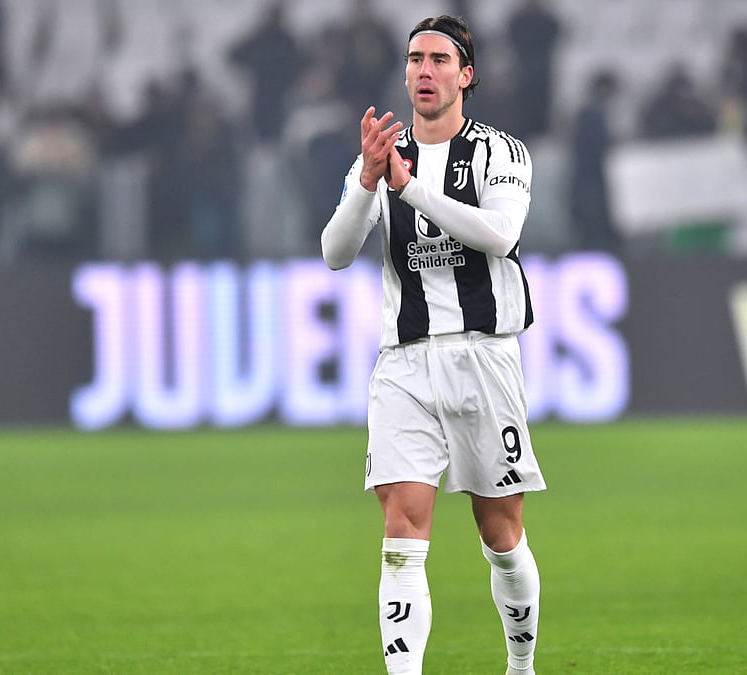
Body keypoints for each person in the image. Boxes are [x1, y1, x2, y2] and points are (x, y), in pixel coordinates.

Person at [320, 15, 545, 675]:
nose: (424, 70)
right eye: (415, 58)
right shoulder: (378, 157)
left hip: (484, 354)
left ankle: (520, 665)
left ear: (465, 75)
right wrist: (367, 181)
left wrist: (409, 187)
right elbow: (335, 253)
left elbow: (500, 235)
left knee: (501, 535)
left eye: (439, 60)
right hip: (405, 363)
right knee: (401, 530)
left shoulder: (500, 153)